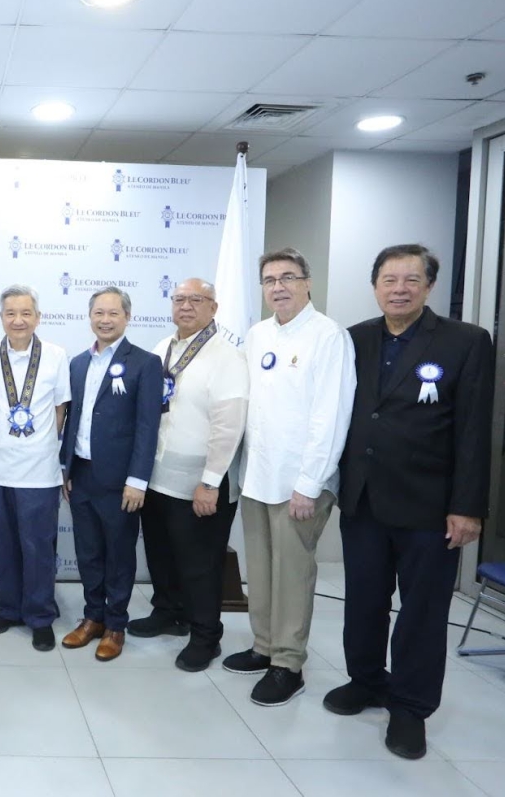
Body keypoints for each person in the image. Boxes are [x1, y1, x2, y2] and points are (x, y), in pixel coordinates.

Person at [325, 244, 493, 760]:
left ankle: (410, 708)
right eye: (389, 279)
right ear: (375, 285)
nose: (399, 288)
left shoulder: (466, 342)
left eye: (411, 279)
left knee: (422, 610)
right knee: (365, 600)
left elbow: (473, 430)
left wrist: (467, 506)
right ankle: (367, 680)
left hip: (430, 506)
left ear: (429, 285)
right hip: (365, 500)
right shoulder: (354, 339)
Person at [224, 247, 355, 706]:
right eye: (269, 280)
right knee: (259, 570)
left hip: (301, 484)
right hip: (257, 476)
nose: (277, 286)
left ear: (307, 282)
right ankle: (263, 647)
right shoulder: (257, 335)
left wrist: (310, 483)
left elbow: (330, 417)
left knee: (293, 573)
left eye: (287, 277)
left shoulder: (327, 336)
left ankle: (288, 663)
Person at [132, 278, 248, 672]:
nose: (185, 306)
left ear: (213, 308)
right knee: (162, 555)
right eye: (179, 299)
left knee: (200, 564)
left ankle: (205, 636)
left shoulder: (226, 355)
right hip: (159, 475)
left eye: (196, 300)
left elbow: (229, 426)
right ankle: (168, 612)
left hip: (200, 482)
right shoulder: (162, 348)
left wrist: (210, 481)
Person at [59, 287, 161, 662]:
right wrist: (65, 466)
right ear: (90, 317)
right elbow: (72, 420)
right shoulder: (77, 364)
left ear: (127, 317)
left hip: (120, 482)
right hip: (81, 474)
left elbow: (148, 427)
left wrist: (138, 480)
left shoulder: (145, 363)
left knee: (119, 554)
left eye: (113, 313)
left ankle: (116, 624)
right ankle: (93, 618)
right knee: (88, 552)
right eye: (98, 313)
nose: (105, 319)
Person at [0, 284, 71, 652]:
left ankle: (40, 616)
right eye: (10, 313)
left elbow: (60, 409)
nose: (18, 320)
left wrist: (38, 443)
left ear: (38, 317)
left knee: (37, 547)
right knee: (1, 545)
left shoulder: (55, 355)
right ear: (1, 317)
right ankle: (10, 608)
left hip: (39, 469)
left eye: (26, 313)